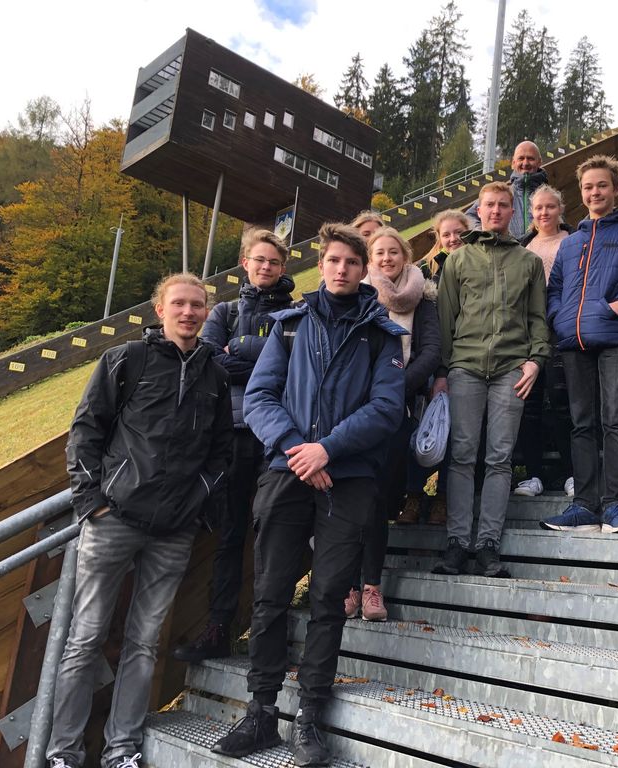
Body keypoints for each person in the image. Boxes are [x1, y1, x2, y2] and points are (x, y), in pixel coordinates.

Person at [211, 224, 406, 765]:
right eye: (333, 261)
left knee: (326, 599)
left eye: (351, 262)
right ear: (320, 266)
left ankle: (310, 717)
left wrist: (328, 451)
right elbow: (260, 396)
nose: (341, 269)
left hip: (349, 481)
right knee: (271, 594)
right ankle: (261, 712)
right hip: (285, 472)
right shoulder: (289, 327)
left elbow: (387, 409)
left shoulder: (383, 336)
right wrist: (301, 449)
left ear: (365, 270)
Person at [49, 274, 232, 768]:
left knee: (144, 643)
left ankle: (121, 749)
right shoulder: (125, 360)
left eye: (198, 305)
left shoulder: (214, 374)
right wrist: (93, 501)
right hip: (113, 521)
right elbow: (86, 430)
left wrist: (196, 504)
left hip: (174, 531)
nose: (189, 312)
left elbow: (221, 453)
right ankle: (63, 752)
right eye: (179, 304)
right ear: (159, 309)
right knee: (85, 637)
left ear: (207, 311)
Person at [173, 230, 294, 663]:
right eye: (259, 260)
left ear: (284, 267)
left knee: (273, 533)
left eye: (274, 262)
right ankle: (219, 627)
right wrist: (266, 357)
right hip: (232, 435)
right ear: (245, 262)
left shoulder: (295, 313)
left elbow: (295, 364)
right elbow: (210, 360)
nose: (266, 268)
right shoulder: (223, 310)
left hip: (277, 436)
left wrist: (241, 349)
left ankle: (267, 630)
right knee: (230, 537)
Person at [433, 180, 549, 577]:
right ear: (478, 211)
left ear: (512, 212)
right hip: (464, 367)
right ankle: (456, 542)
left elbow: (537, 317)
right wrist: (445, 369)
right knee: (463, 455)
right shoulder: (458, 260)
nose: (496, 211)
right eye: (489, 205)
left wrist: (535, 360)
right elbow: (445, 319)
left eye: (503, 205)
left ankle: (487, 545)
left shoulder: (528, 262)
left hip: (511, 369)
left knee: (499, 459)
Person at [540, 157, 618, 533]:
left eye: (602, 185)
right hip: (573, 342)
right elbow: (555, 288)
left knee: (616, 420)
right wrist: (559, 317)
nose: (594, 192)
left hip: (615, 338)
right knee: (581, 424)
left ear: (616, 188)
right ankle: (584, 505)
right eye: (588, 187)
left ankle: (615, 505)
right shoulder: (571, 242)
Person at [345, 227, 440, 622]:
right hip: (354, 408)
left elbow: (432, 350)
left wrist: (394, 387)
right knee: (351, 502)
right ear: (371, 259)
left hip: (395, 407)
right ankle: (348, 585)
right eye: (379, 253)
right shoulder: (359, 295)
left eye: (393, 252)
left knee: (378, 501)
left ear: (405, 255)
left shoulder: (424, 298)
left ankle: (372, 586)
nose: (386, 259)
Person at [396, 209, 471, 525]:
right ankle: (413, 496)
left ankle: (442, 499)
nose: (452, 239)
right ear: (438, 238)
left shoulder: (475, 267)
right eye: (446, 234)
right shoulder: (424, 273)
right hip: (428, 361)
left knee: (454, 433)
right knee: (421, 427)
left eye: (458, 233)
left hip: (463, 360)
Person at [513, 184, 574, 497]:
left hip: (561, 329)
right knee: (529, 403)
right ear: (531, 213)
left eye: (550, 206)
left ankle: (570, 474)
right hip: (527, 332)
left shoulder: (574, 240)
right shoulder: (522, 246)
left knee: (562, 402)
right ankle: (533, 474)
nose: (544, 213)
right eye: (538, 208)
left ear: (560, 208)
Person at [465, 141, 549, 238]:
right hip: (507, 251)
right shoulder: (503, 193)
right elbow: (468, 217)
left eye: (530, 159)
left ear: (539, 162)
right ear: (513, 163)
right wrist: (485, 233)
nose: (525, 163)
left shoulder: (548, 196)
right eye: (521, 158)